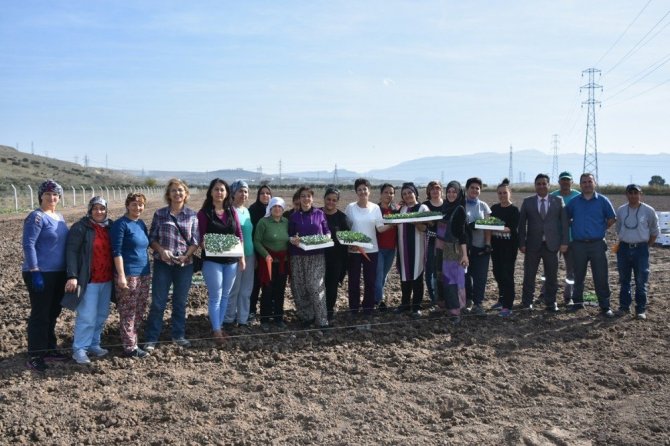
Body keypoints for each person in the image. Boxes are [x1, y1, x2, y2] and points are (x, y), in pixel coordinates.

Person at [145, 179, 200, 351]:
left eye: (180, 190)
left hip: (185, 265)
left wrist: (186, 255)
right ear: (168, 194)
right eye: (174, 190)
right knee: (158, 302)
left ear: (186, 193)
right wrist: (161, 251)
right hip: (163, 264)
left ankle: (178, 335)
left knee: (180, 301)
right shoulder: (160, 214)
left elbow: (195, 241)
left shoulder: (192, 215)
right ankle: (152, 338)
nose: (177, 193)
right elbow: (152, 238)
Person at [22, 179, 69, 372]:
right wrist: (35, 271)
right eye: (48, 194)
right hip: (41, 273)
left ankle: (49, 348)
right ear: (41, 196)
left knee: (53, 313)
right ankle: (35, 354)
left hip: (58, 273)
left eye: (55, 194)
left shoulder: (59, 217)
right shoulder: (36, 217)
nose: (52, 197)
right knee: (40, 314)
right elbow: (29, 244)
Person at [65, 197, 114, 364]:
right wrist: (72, 275)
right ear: (90, 210)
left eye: (102, 208)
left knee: (101, 314)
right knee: (87, 316)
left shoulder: (110, 227)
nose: (99, 211)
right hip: (89, 280)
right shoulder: (81, 227)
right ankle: (79, 349)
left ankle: (94, 344)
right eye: (95, 208)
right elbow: (71, 251)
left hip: (106, 279)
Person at [197, 179, 244, 344]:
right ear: (211, 192)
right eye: (216, 189)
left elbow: (239, 234)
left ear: (227, 193)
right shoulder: (204, 213)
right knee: (215, 295)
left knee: (225, 295)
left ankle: (219, 326)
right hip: (212, 261)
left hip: (231, 261)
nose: (219, 192)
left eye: (222, 190)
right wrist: (210, 245)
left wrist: (241, 257)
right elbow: (200, 237)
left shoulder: (231, 211)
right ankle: (216, 330)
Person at [565, 173, 616, 317]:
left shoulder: (603, 201)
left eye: (589, 181)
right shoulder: (574, 202)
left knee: (601, 276)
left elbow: (612, 218)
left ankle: (605, 306)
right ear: (580, 184)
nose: (587, 184)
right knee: (578, 275)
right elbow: (565, 217)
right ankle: (577, 303)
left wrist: (600, 228)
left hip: (597, 245)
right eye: (584, 182)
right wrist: (574, 226)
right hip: (578, 245)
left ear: (594, 183)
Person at [518, 174, 569, 314]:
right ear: (535, 186)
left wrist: (564, 242)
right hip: (532, 245)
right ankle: (527, 302)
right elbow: (521, 225)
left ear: (549, 185)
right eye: (538, 184)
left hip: (552, 245)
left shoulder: (558, 200)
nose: (541, 186)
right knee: (529, 275)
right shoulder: (528, 202)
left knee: (552, 276)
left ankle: (551, 303)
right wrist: (521, 243)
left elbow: (564, 224)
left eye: (544, 183)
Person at [111, 192, 151, 358]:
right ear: (127, 205)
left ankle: (134, 341)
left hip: (144, 272)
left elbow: (146, 245)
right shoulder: (121, 224)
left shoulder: (140, 223)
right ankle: (129, 348)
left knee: (139, 309)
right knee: (128, 311)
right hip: (128, 273)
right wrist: (121, 275)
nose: (138, 207)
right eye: (134, 204)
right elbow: (117, 251)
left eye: (141, 204)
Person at [345, 178, 392, 317]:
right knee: (353, 280)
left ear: (369, 191)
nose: (362, 192)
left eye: (364, 189)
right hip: (354, 250)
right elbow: (346, 228)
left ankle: (368, 308)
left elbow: (380, 228)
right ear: (356, 192)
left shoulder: (375, 208)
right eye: (359, 189)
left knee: (370, 280)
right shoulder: (350, 207)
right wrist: (350, 243)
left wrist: (393, 224)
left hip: (372, 250)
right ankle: (354, 308)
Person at [614, 184, 659, 320]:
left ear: (640, 194)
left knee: (641, 280)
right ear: (626, 195)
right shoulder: (621, 210)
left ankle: (640, 309)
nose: (633, 195)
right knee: (624, 280)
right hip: (623, 248)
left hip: (641, 249)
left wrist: (645, 246)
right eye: (630, 193)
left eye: (636, 193)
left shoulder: (649, 211)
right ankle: (624, 307)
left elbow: (654, 231)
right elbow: (618, 228)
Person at [288, 186, 331, 328]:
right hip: (298, 256)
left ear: (312, 198)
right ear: (299, 199)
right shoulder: (294, 216)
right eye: (303, 196)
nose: (306, 199)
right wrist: (293, 240)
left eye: (308, 196)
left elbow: (327, 231)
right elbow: (290, 235)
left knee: (316, 286)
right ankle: (307, 317)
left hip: (316, 255)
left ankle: (322, 320)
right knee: (300, 287)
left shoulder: (320, 214)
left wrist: (327, 238)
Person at [434, 181, 468, 323]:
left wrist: (464, 255)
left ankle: (455, 311)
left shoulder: (459, 209)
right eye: (449, 191)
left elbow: (462, 234)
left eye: (454, 192)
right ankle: (444, 306)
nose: (451, 194)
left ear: (459, 193)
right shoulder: (445, 208)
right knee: (440, 277)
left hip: (452, 249)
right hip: (440, 248)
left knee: (451, 280)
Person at [254, 197, 290, 331]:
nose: (277, 209)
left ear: (283, 209)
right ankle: (264, 319)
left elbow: (289, 239)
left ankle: (278, 318)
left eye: (280, 206)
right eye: (274, 206)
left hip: (282, 263)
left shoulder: (286, 222)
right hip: (268, 262)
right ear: (270, 208)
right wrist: (266, 255)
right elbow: (257, 241)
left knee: (280, 290)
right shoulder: (263, 222)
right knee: (267, 291)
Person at [394, 182, 429, 317]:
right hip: (403, 248)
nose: (407, 195)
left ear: (415, 193)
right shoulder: (402, 209)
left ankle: (416, 306)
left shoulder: (422, 208)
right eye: (404, 194)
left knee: (417, 276)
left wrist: (415, 222)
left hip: (418, 248)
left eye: (410, 192)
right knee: (404, 276)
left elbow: (426, 228)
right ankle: (405, 304)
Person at [224, 180, 254, 329]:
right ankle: (229, 319)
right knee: (233, 289)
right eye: (240, 191)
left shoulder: (246, 211)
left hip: (250, 254)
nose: (243, 194)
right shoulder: (229, 210)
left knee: (246, 289)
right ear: (233, 193)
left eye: (246, 191)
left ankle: (243, 319)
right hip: (235, 255)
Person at [549, 171, 581, 305]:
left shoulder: (578, 196)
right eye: (563, 180)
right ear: (559, 182)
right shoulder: (552, 196)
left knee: (571, 269)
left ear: (572, 182)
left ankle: (569, 295)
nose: (565, 182)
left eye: (568, 180)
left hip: (571, 238)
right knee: (550, 268)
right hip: (554, 238)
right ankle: (545, 293)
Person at [489, 179, 520, 316]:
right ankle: (501, 299)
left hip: (509, 248)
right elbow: (489, 225)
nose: (502, 195)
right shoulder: (494, 209)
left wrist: (494, 226)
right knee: (497, 273)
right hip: (496, 246)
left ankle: (508, 305)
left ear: (509, 193)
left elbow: (510, 229)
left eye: (505, 193)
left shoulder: (514, 210)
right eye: (500, 193)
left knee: (507, 275)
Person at [463, 177, 491, 316]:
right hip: (464, 248)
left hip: (480, 247)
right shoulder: (461, 205)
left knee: (480, 277)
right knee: (465, 276)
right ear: (467, 189)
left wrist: (487, 244)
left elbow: (488, 227)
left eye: (477, 188)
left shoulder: (483, 206)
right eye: (472, 187)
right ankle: (467, 301)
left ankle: (478, 304)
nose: (474, 190)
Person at [321, 187, 350, 322]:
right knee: (317, 286)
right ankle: (316, 310)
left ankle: (328, 311)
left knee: (332, 286)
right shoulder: (317, 213)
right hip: (318, 257)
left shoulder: (342, 218)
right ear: (324, 199)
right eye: (328, 199)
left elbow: (347, 239)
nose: (331, 202)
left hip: (336, 258)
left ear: (337, 201)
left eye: (334, 200)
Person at [248, 185, 272, 321]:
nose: (265, 195)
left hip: (271, 254)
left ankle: (267, 312)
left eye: (268, 193)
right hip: (257, 253)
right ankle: (251, 310)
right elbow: (250, 234)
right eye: (262, 193)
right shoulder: (252, 210)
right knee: (255, 284)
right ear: (258, 195)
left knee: (269, 284)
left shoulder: (274, 210)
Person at [375, 183, 398, 310]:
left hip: (391, 248)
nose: (389, 195)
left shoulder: (396, 210)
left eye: (391, 193)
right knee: (379, 274)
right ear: (380, 194)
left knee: (384, 274)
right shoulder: (375, 209)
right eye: (386, 192)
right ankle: (379, 300)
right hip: (378, 248)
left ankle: (377, 297)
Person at [423, 181, 443, 306]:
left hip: (445, 243)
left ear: (441, 190)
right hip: (429, 242)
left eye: (437, 188)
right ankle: (433, 297)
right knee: (430, 271)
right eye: (432, 189)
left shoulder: (447, 204)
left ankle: (441, 296)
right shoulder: (424, 205)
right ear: (428, 191)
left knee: (441, 271)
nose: (435, 191)